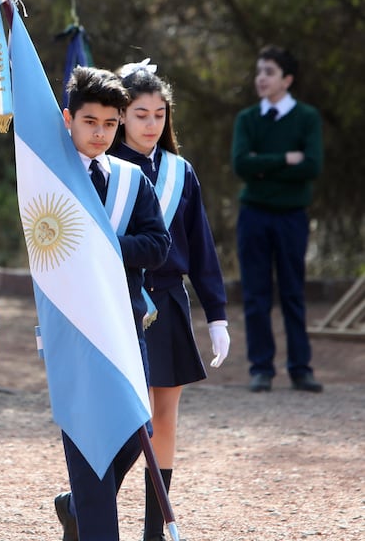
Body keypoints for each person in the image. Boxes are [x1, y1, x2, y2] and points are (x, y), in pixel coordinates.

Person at [111, 62, 230, 541]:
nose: (151, 124)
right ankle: (85, 504)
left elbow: (201, 247)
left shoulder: (180, 171)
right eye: (141, 114)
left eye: (159, 115)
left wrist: (217, 314)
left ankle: (153, 530)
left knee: (164, 416)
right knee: (127, 416)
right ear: (122, 115)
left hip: (170, 301)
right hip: (121, 298)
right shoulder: (104, 168)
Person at [52, 67, 170, 541]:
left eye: (108, 123)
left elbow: (157, 245)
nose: (99, 133)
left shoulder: (130, 178)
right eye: (89, 122)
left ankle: (76, 508)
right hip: (74, 329)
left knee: (135, 431)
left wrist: (107, 245)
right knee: (87, 444)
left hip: (126, 325)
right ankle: (92, 518)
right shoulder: (49, 177)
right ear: (69, 119)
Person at [231, 45, 324, 393]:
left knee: (292, 293)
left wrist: (263, 166)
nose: (261, 78)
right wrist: (286, 159)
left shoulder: (307, 118)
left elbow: (312, 166)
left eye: (269, 72)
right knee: (255, 295)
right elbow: (241, 164)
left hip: (291, 217)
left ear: (287, 79)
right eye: (259, 72)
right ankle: (261, 369)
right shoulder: (247, 119)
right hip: (253, 216)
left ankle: (301, 369)